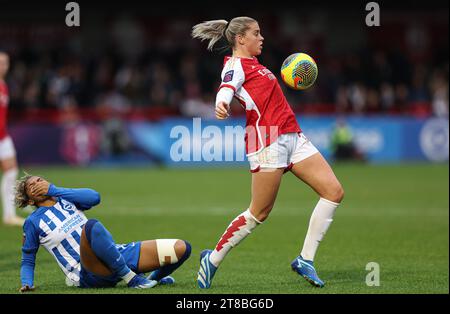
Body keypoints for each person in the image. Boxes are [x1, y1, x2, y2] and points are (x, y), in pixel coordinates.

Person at [192, 17, 344, 289]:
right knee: (258, 213)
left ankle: (305, 260)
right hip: (267, 142)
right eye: (256, 33)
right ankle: (212, 260)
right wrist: (222, 104)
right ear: (240, 39)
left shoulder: (257, 66)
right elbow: (226, 87)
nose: (262, 38)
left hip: (293, 136)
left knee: (333, 192)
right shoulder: (235, 65)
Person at [16, 174, 191, 291]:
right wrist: (27, 283)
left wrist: (54, 190)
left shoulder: (65, 199)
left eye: (40, 180)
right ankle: (131, 278)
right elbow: (28, 258)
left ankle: (155, 278)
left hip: (114, 253)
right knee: (92, 226)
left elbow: (94, 197)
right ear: (30, 200)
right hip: (87, 271)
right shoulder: (32, 222)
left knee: (182, 248)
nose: (37, 184)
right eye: (32, 185)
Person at [0, 51, 23, 226]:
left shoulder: (3, 84)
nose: (3, 66)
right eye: (0, 63)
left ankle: (9, 215)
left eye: (6, 63)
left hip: (3, 135)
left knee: (11, 171)